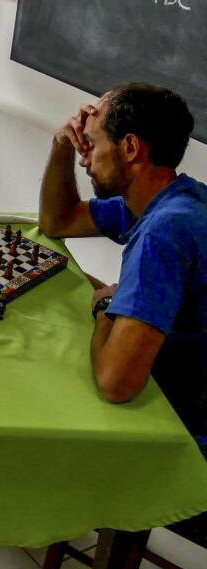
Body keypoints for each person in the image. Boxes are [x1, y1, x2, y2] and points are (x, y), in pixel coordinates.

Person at [39, 84, 205, 449]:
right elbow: (58, 221)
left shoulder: (164, 231)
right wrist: (61, 145)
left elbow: (116, 383)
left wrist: (104, 305)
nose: (85, 160)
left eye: (92, 145)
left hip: (186, 442)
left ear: (130, 148)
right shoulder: (174, 198)